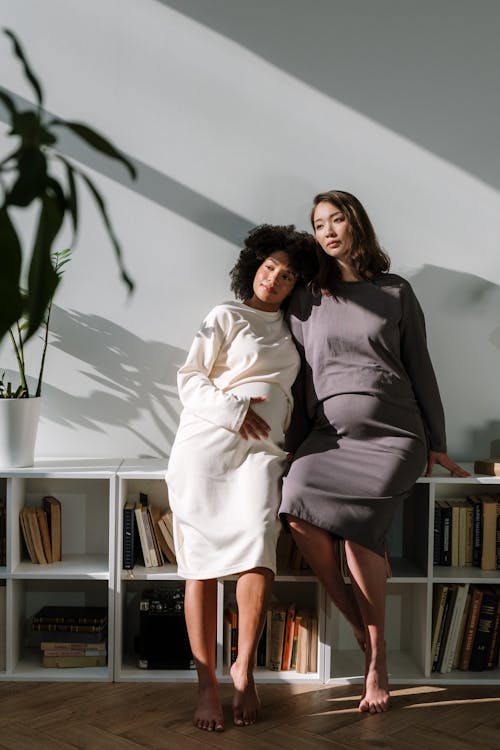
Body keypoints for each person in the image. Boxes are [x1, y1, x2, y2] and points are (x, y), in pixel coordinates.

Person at [279, 190, 469, 715]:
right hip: (330, 437)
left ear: (356, 222)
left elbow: (421, 367)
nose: (329, 230)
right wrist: (292, 449)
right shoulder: (306, 298)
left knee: (360, 528)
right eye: (319, 224)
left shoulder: (395, 291)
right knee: (295, 504)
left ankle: (377, 658)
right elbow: (298, 383)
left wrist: (438, 443)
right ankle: (364, 633)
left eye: (337, 218)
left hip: (395, 434)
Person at [166, 224, 316, 732]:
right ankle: (207, 684)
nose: (274, 278)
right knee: (201, 566)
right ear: (254, 265)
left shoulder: (292, 331)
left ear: (297, 285)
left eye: (287, 274)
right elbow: (190, 378)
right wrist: (232, 411)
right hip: (207, 448)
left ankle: (243, 668)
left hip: (261, 455)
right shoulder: (224, 316)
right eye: (270, 266)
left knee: (258, 545)